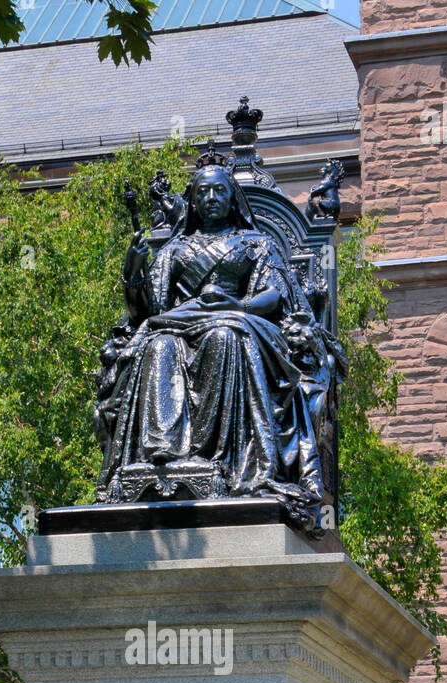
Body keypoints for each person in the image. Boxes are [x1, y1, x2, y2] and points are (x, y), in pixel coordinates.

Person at [94, 159, 334, 523]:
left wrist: (238, 304)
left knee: (224, 336)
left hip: (239, 319)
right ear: (191, 201)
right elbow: (149, 312)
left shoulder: (257, 242)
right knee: (158, 344)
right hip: (180, 325)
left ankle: (218, 459)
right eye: (202, 191)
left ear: (232, 197)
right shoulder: (174, 250)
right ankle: (164, 455)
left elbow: (276, 295)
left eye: (219, 190)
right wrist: (133, 272)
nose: (210, 197)